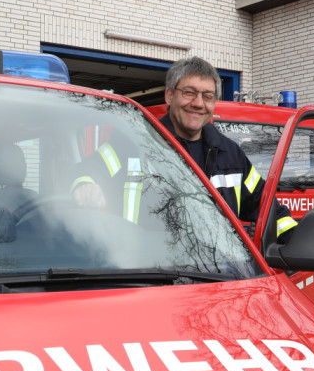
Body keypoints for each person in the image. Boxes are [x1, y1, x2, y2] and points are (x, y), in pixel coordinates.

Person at [74, 56, 296, 239]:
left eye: (207, 96)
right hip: (146, 276)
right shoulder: (134, 142)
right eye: (189, 93)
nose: (198, 103)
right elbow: (84, 174)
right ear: (170, 95)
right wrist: (85, 187)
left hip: (217, 277)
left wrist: (297, 239)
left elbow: (268, 208)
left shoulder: (231, 155)